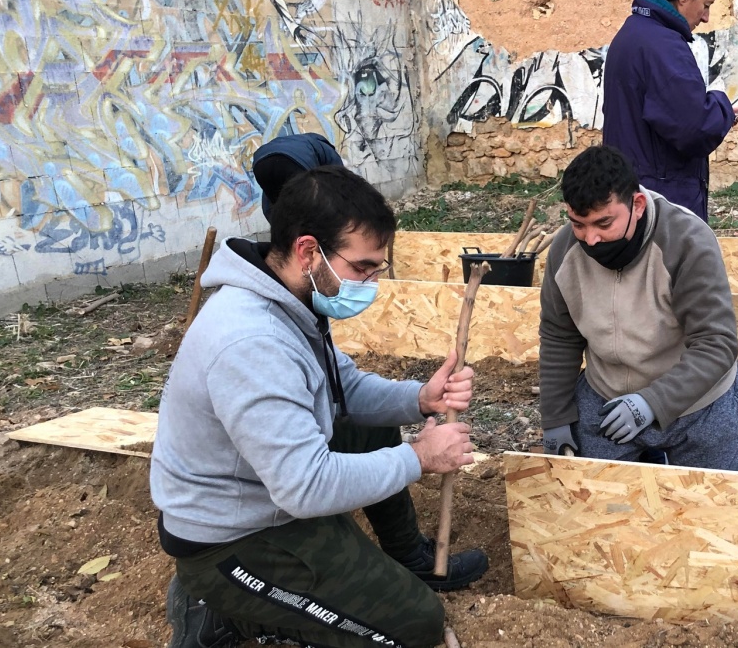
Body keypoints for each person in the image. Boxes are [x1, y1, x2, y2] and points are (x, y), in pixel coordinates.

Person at [151, 166, 489, 648]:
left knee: (370, 425)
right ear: (308, 251)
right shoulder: (251, 341)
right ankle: (221, 609)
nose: (371, 283)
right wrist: (418, 457)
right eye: (362, 267)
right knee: (415, 624)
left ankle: (405, 560)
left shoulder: (287, 299)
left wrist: (418, 399)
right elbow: (305, 488)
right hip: (229, 539)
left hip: (264, 496)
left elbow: (343, 390)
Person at [537, 144, 738, 475]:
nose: (590, 239)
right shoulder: (566, 251)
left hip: (696, 398)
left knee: (717, 503)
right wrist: (555, 418)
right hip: (608, 398)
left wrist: (651, 403)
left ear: (636, 205)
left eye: (603, 223)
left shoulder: (687, 240)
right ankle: (651, 453)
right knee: (595, 498)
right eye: (578, 224)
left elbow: (717, 343)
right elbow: (559, 336)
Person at [602, 0, 738, 223]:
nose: (706, 17)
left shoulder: (635, 32)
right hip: (661, 199)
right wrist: (722, 106)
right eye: (706, 5)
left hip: (632, 187)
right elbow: (694, 127)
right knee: (672, 263)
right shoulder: (663, 45)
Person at [252, 132, 344, 221]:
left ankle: (285, 234)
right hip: (291, 160)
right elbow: (341, 184)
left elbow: (269, 205)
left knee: (277, 203)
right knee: (310, 201)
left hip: (260, 162)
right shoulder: (325, 149)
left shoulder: (307, 142)